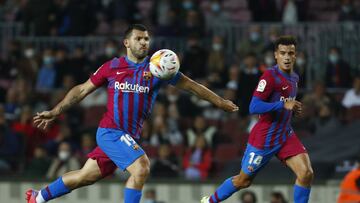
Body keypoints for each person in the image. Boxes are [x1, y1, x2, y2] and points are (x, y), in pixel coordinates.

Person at [26, 24, 238, 203]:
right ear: (126, 43)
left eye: (146, 39)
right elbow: (81, 90)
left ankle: (38, 197)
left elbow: (192, 86)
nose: (144, 42)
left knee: (85, 176)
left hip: (127, 136)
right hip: (111, 131)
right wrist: (55, 111)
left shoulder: (158, 68)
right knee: (142, 167)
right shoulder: (112, 67)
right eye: (138, 38)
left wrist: (220, 102)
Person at [201, 36, 314, 203]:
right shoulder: (269, 76)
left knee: (306, 173)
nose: (287, 57)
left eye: (291, 53)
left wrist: (291, 110)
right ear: (276, 55)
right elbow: (253, 107)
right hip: (264, 138)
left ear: (295, 55)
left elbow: (286, 103)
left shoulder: (295, 78)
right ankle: (209, 201)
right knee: (243, 181)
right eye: (283, 53)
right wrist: (282, 106)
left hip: (285, 134)